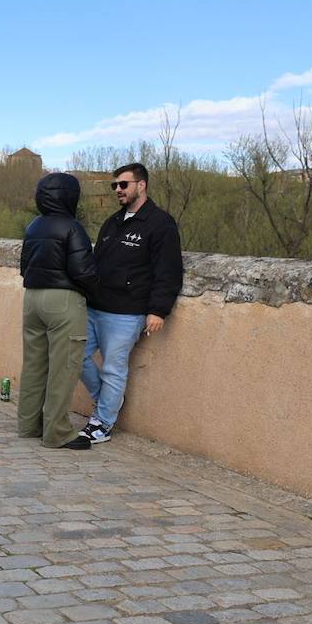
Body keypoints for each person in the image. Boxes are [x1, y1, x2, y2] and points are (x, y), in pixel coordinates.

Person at [78, 163, 184, 443]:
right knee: (73, 354)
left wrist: (158, 310)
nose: (118, 190)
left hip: (127, 312)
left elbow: (169, 271)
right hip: (95, 306)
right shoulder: (113, 222)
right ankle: (107, 401)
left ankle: (102, 423)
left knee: (114, 368)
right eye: (115, 186)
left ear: (142, 185)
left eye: (123, 184)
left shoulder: (160, 224)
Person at [19, 172, 98, 450]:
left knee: (34, 365)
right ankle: (57, 432)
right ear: (70, 196)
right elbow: (83, 271)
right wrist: (96, 291)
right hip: (63, 301)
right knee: (64, 367)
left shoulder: (33, 226)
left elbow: (23, 267)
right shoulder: (72, 227)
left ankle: (29, 425)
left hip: (32, 299)